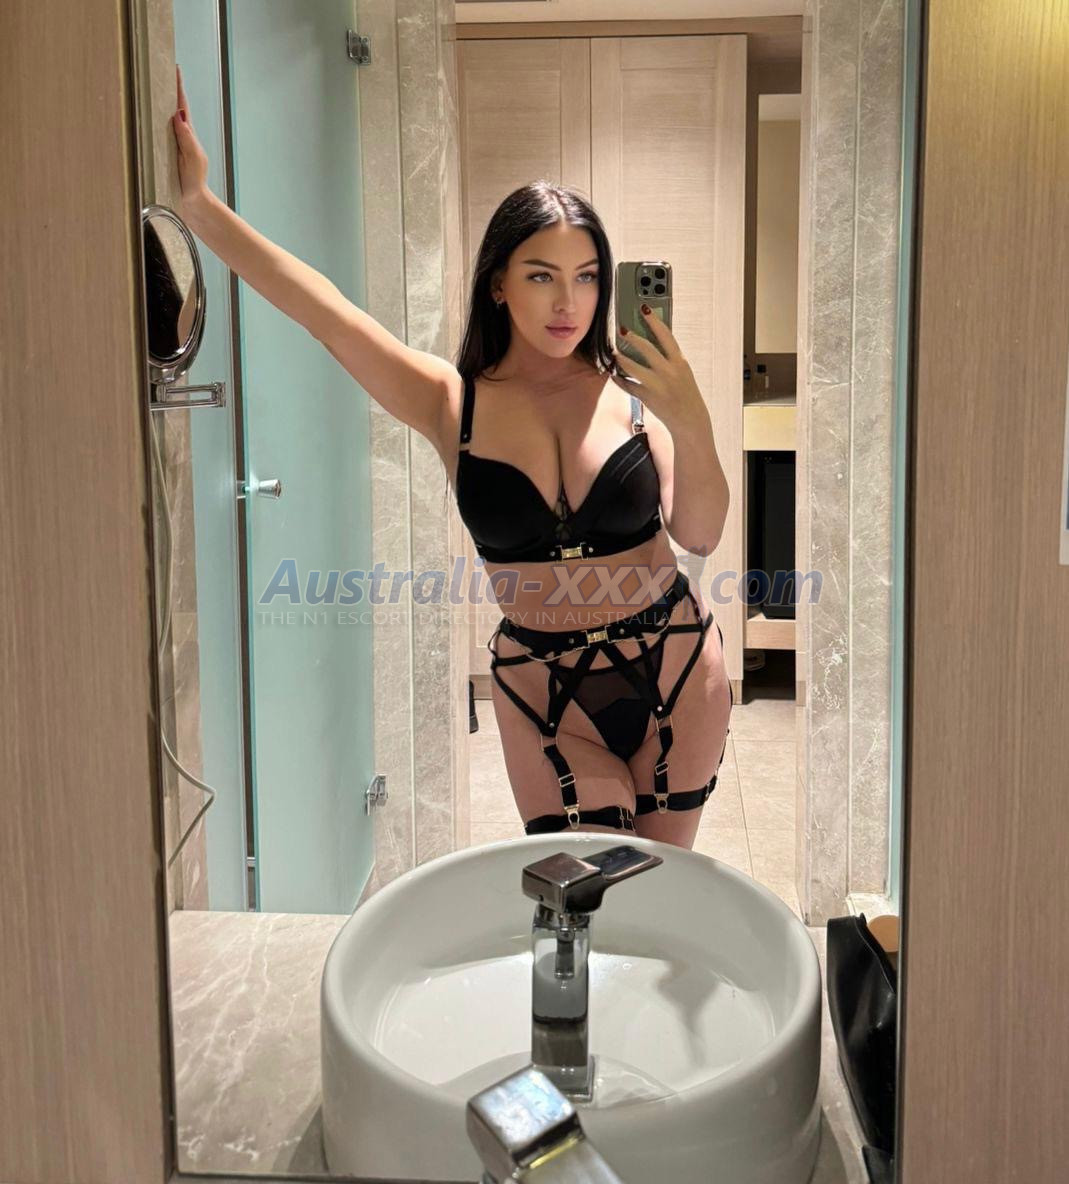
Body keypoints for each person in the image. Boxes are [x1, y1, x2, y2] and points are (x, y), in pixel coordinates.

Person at [172, 64, 732, 850]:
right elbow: (324, 314)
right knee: (589, 889)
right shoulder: (450, 401)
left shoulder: (637, 396)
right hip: (544, 690)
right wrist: (199, 207)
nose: (567, 303)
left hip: (676, 666)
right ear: (498, 284)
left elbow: (699, 533)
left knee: (661, 884)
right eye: (541, 276)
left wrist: (692, 418)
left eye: (585, 278)